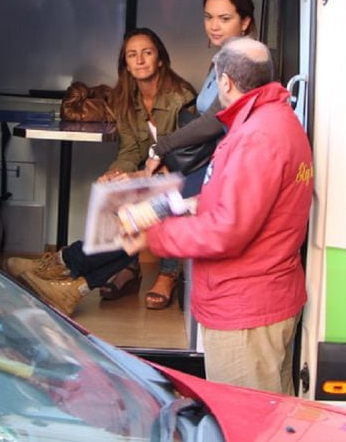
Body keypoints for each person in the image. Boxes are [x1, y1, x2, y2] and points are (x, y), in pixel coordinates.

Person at [122, 37, 313, 395]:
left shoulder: (255, 136)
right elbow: (238, 201)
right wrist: (174, 206)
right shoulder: (275, 120)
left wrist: (153, 237)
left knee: (248, 424)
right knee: (273, 421)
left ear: (225, 82)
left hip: (246, 310)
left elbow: (226, 231)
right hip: (266, 300)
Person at [7, 28, 197, 315]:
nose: (140, 60)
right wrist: (116, 174)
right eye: (132, 55)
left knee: (144, 214)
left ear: (160, 59)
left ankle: (66, 264)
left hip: (181, 181)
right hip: (148, 177)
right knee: (112, 198)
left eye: (147, 52)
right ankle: (76, 285)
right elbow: (131, 150)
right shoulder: (125, 98)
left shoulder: (181, 96)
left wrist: (138, 178)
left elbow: (185, 158)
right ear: (125, 64)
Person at [140, 0, 256, 309]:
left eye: (224, 18)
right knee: (138, 194)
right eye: (209, 17)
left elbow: (215, 121)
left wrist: (161, 148)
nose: (214, 26)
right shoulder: (221, 58)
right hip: (200, 156)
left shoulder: (244, 61)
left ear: (244, 21)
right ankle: (81, 269)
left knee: (153, 204)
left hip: (217, 161)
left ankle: (164, 275)